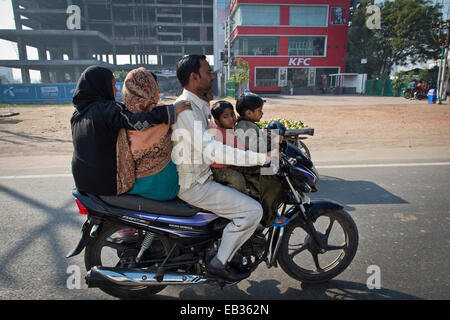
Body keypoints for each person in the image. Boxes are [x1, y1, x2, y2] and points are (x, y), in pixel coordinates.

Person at [171, 55, 274, 282]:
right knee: (252, 211)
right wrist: (260, 158)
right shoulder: (188, 111)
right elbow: (213, 150)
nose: (213, 75)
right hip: (195, 184)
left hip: (202, 177)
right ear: (194, 77)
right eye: (208, 72)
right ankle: (219, 264)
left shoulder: (199, 106)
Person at [71, 65, 191, 196]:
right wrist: (171, 110)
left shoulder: (77, 115)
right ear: (101, 87)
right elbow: (134, 121)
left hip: (81, 182)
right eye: (112, 85)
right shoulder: (106, 109)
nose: (116, 89)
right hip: (105, 184)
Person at [116, 67, 180, 200]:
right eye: (156, 86)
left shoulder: (121, 117)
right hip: (164, 191)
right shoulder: (165, 112)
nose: (159, 90)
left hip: (130, 186)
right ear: (150, 88)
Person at [234, 92, 285, 227]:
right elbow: (258, 147)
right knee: (273, 182)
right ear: (249, 113)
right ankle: (268, 218)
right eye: (259, 111)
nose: (262, 113)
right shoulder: (244, 127)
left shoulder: (248, 124)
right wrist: (274, 140)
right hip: (249, 167)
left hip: (253, 162)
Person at [209, 100, 248, 195]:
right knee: (237, 178)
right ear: (217, 121)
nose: (231, 119)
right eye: (225, 117)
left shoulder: (227, 130)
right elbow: (243, 150)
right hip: (218, 170)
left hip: (227, 165)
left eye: (232, 115)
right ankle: (243, 199)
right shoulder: (223, 133)